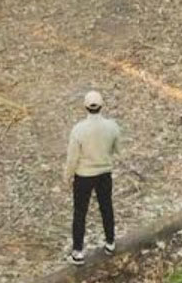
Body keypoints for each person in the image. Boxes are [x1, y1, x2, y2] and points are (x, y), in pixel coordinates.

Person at [64, 90, 121, 266]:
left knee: (80, 212)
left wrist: (67, 176)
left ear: (85, 107)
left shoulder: (78, 130)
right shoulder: (112, 126)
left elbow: (72, 158)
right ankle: (110, 242)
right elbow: (116, 149)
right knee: (106, 207)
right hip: (104, 173)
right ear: (102, 106)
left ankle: (78, 252)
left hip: (84, 175)